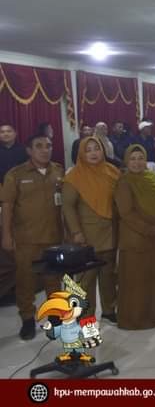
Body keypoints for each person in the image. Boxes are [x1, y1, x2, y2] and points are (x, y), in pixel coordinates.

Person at [0, 134, 63, 339]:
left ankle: (55, 317)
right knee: (25, 280)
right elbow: (7, 207)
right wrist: (6, 235)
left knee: (54, 280)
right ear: (29, 150)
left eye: (48, 146)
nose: (45, 150)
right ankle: (28, 318)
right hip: (26, 238)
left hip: (54, 237)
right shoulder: (16, 174)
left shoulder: (58, 171)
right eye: (39, 146)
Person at [62, 136, 121, 321]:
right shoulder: (73, 177)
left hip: (110, 232)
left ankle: (109, 310)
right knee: (85, 279)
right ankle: (84, 316)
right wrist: (76, 232)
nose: (94, 153)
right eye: (88, 150)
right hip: (86, 235)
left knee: (109, 275)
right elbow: (68, 207)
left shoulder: (112, 171)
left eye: (97, 148)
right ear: (81, 154)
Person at [114, 144, 155, 330]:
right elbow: (127, 214)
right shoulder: (123, 182)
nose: (137, 163)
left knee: (154, 280)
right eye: (133, 159)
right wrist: (153, 230)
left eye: (140, 158)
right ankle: (134, 320)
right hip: (135, 240)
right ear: (127, 161)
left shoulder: (153, 178)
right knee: (135, 283)